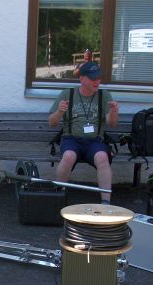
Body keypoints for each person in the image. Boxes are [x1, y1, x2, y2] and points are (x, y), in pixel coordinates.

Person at [49, 61, 119, 204]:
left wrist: (113, 112)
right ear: (82, 79)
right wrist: (60, 112)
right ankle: (58, 197)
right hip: (71, 139)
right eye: (93, 78)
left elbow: (112, 124)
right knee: (68, 156)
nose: (97, 81)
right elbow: (51, 122)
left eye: (99, 78)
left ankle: (106, 202)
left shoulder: (104, 95)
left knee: (102, 158)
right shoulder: (68, 94)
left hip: (94, 141)